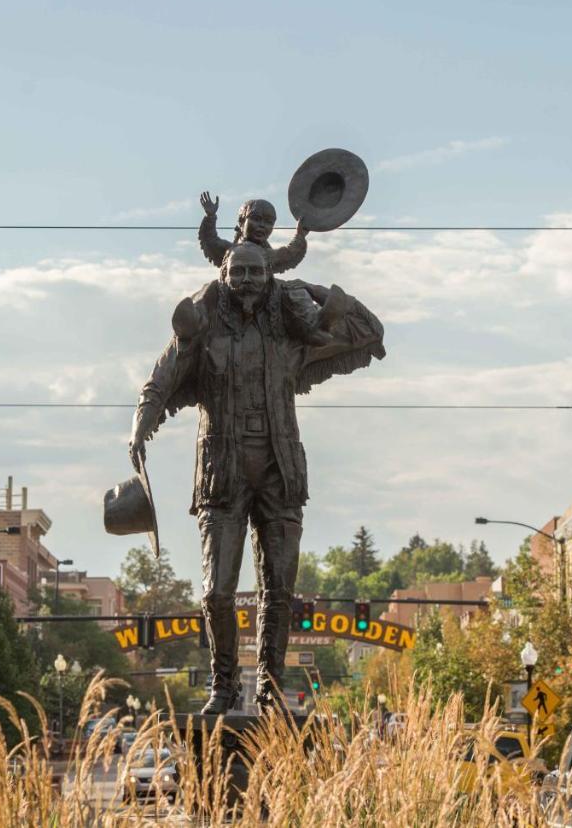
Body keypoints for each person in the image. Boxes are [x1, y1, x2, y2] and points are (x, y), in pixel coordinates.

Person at [129, 241, 384, 712]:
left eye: (255, 272)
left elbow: (369, 330)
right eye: (237, 272)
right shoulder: (202, 336)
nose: (246, 280)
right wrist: (140, 426)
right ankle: (222, 686)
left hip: (279, 472)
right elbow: (160, 379)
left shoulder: (293, 340)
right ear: (223, 277)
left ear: (269, 278)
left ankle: (270, 689)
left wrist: (307, 288)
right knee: (216, 592)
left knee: (279, 592)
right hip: (221, 475)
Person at [198, 192, 310, 273]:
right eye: (256, 219)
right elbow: (211, 241)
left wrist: (300, 235)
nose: (262, 225)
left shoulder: (269, 256)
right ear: (241, 222)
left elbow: (289, 254)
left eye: (268, 222)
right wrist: (210, 216)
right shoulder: (230, 252)